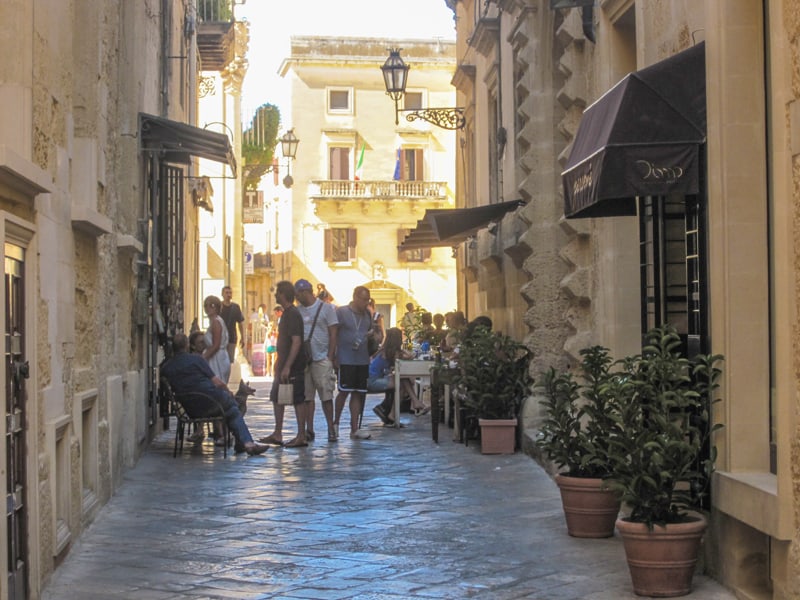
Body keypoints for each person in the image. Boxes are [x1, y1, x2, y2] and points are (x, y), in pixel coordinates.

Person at [160, 333, 268, 456]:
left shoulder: (166, 368)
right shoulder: (197, 360)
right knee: (232, 409)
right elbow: (217, 382)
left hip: (191, 409)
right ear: (187, 345)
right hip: (211, 401)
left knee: (230, 409)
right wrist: (228, 391)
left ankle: (241, 442)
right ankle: (246, 443)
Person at [260, 281, 308, 448]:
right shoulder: (287, 314)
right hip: (284, 363)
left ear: (283, 294)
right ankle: (278, 432)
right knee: (277, 397)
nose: (275, 295)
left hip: (292, 365)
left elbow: (296, 341)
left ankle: (301, 434)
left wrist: (288, 365)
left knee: (297, 399)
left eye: (278, 292)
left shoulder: (293, 314)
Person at [295, 279, 339, 442]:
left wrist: (330, 356)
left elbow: (333, 332)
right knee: (307, 397)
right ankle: (309, 429)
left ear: (306, 292)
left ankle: (330, 428)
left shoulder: (326, 308)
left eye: (298, 294)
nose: (297, 297)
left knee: (326, 396)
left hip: (322, 359)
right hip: (305, 360)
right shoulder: (298, 311)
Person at [333, 285, 373, 440]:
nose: (365, 303)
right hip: (346, 358)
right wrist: (334, 355)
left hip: (362, 359)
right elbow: (334, 333)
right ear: (355, 297)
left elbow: (369, 331)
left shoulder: (368, 314)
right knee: (343, 391)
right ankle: (335, 424)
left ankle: (354, 428)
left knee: (358, 393)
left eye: (367, 300)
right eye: (363, 299)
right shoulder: (341, 312)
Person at [369, 327, 427, 426]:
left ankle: (407, 406)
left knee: (402, 380)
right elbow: (409, 356)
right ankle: (413, 403)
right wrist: (404, 352)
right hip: (372, 381)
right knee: (402, 381)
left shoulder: (386, 350)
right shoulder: (390, 353)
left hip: (375, 378)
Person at [202, 295, 231, 385]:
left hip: (217, 359)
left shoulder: (216, 322)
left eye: (212, 305)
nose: (208, 308)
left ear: (217, 308)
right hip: (216, 358)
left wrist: (203, 358)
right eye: (206, 305)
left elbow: (216, 345)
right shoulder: (214, 321)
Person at [220, 285, 245, 362]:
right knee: (220, 360)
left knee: (230, 360)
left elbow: (240, 323)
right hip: (220, 337)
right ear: (222, 294)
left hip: (232, 337)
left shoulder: (235, 307)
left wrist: (242, 337)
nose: (229, 295)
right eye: (226, 293)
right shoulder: (219, 306)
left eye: (230, 293)